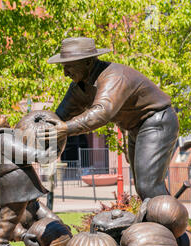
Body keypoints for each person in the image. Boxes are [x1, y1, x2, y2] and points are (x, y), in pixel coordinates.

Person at [38, 37, 179, 200]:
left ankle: (171, 221)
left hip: (157, 121)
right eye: (63, 67)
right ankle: (163, 220)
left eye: (69, 67)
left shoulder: (114, 76)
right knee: (143, 186)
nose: (65, 73)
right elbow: (60, 116)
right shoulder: (79, 87)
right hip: (137, 128)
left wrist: (66, 129)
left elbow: (102, 112)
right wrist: (37, 133)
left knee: (148, 186)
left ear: (88, 62)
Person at [0, 107, 57, 246]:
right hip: (16, 186)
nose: (4, 116)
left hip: (13, 186)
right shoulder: (2, 138)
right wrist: (42, 154)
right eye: (0, 116)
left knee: (9, 216)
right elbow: (23, 153)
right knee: (10, 218)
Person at [0, 191, 64, 246]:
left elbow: (49, 216)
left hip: (14, 220)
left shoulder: (33, 203)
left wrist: (61, 226)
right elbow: (8, 220)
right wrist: (23, 235)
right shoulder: (6, 198)